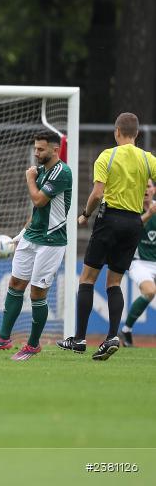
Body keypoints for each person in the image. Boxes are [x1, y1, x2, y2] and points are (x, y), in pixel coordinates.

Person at [63, 112, 156, 361]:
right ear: (137, 134)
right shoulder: (148, 159)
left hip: (110, 220)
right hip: (134, 223)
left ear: (117, 131)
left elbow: (97, 194)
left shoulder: (108, 155)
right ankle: (112, 337)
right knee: (114, 283)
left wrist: (84, 214)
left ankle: (80, 339)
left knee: (87, 278)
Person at [0, 131, 72, 361]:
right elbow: (38, 210)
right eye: (35, 148)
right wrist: (22, 232)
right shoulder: (40, 171)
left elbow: (39, 199)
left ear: (54, 149)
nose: (36, 153)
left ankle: (32, 345)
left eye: (41, 149)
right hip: (32, 236)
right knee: (16, 282)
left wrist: (30, 179)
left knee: (37, 293)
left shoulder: (62, 172)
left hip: (51, 241)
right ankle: (3, 338)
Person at [120, 179, 156, 347]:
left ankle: (126, 331)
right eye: (142, 187)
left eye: (148, 186)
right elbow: (130, 229)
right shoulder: (132, 209)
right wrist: (149, 214)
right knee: (150, 291)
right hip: (138, 262)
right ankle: (126, 329)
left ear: (154, 189)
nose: (146, 190)